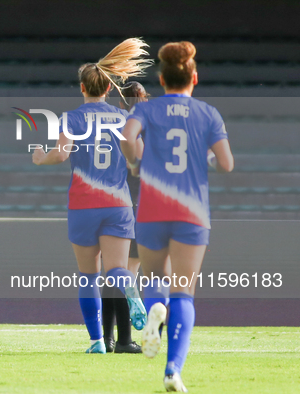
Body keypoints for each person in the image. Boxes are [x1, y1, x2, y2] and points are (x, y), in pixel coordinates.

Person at [121, 41, 234, 391]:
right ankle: (172, 370)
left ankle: (156, 311)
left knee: (155, 278)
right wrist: (209, 160)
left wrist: (136, 162)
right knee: (184, 291)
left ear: (161, 77)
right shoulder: (208, 113)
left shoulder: (148, 110)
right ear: (194, 77)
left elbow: (127, 137)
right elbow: (227, 164)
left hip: (153, 210)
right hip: (192, 213)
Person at [32, 38, 152, 354]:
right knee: (117, 270)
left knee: (88, 275)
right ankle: (130, 289)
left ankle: (98, 342)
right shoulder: (122, 118)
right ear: (108, 90)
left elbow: (60, 155)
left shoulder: (71, 117)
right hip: (118, 204)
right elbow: (136, 157)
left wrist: (40, 156)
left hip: (83, 204)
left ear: (83, 88)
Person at [101, 81, 149, 354]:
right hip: (142, 207)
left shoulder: (114, 126)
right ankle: (124, 340)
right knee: (128, 274)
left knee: (111, 275)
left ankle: (106, 338)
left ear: (121, 103)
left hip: (114, 204)